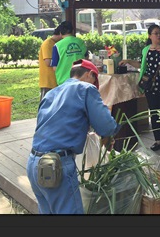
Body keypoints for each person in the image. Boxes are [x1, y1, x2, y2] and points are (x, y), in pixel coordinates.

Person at [26, 59, 120, 214]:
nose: (94, 85)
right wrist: (113, 131)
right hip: (56, 166)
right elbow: (106, 127)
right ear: (90, 74)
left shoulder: (51, 93)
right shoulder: (86, 88)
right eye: (95, 81)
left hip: (34, 164)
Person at [51, 20, 87, 86]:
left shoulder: (57, 46)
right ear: (72, 31)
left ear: (60, 33)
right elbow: (86, 59)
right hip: (81, 79)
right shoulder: (81, 42)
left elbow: (54, 67)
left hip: (64, 81)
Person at [38, 25, 62, 102]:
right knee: (46, 104)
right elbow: (48, 62)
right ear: (60, 34)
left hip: (56, 80)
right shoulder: (48, 44)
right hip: (48, 81)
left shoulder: (57, 44)